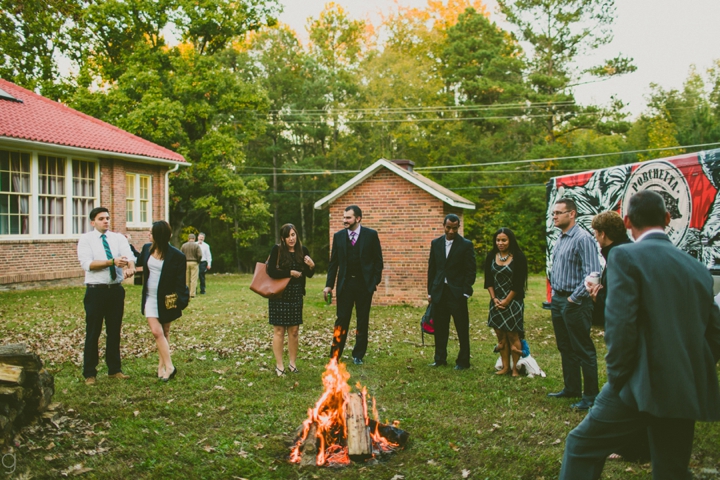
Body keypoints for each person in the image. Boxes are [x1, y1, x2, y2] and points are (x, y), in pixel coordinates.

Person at [560, 190, 720, 480]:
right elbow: (715, 332)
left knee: (581, 446)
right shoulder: (698, 269)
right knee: (671, 469)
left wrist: (619, 378)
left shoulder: (624, 256)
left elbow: (620, 324)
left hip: (637, 381)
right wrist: (693, 368)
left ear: (628, 221)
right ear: (668, 219)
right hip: (684, 384)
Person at [548, 197, 601, 410]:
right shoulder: (561, 238)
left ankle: (591, 396)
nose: (554, 216)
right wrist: (556, 294)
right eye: (553, 213)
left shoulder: (582, 238)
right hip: (558, 299)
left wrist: (573, 298)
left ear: (572, 214)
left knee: (583, 349)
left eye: (558, 213)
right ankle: (571, 388)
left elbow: (593, 274)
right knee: (565, 347)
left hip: (575, 301)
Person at [76, 207, 136, 386]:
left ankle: (114, 370)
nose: (106, 221)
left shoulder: (117, 238)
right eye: (101, 218)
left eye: (107, 218)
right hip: (96, 291)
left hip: (115, 291)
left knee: (114, 331)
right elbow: (87, 264)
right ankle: (90, 373)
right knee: (93, 332)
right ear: (93, 222)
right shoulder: (86, 239)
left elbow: (130, 255)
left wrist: (130, 266)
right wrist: (111, 262)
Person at [324, 205, 384, 365]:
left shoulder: (371, 235)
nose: (345, 220)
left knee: (362, 320)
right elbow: (333, 263)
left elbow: (378, 260)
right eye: (344, 217)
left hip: (364, 285)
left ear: (358, 218)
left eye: (348, 218)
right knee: (342, 319)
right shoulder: (338, 237)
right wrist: (329, 285)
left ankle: (358, 354)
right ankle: (335, 354)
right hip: (345, 284)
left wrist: (374, 281)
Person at [134, 221, 189, 381]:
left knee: (164, 333)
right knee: (156, 332)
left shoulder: (177, 256)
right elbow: (138, 260)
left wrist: (181, 300)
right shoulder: (147, 249)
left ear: (159, 235)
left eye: (151, 232)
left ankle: (161, 366)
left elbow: (180, 282)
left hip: (167, 299)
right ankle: (170, 366)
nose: (148, 235)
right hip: (150, 297)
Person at [427, 214, 476, 370]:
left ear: (458, 227)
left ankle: (463, 361)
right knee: (440, 327)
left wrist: (465, 291)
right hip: (439, 292)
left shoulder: (466, 245)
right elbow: (432, 269)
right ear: (444, 225)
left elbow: (471, 270)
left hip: (457, 293)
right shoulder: (435, 244)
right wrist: (430, 292)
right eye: (449, 227)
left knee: (461, 328)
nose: (451, 231)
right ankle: (440, 358)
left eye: (455, 228)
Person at [267, 224, 315, 376]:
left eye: (293, 235)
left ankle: (292, 364)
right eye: (288, 236)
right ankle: (279, 365)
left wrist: (312, 266)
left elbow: (309, 274)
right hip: (279, 295)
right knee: (279, 330)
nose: (291, 238)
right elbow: (271, 271)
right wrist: (289, 273)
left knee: (294, 331)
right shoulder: (277, 250)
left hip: (295, 295)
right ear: (283, 238)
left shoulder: (303, 250)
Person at [484, 227, 528, 376]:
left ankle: (515, 368)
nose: (500, 243)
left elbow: (518, 283)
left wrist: (507, 301)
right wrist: (494, 299)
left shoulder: (518, 257)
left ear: (510, 241)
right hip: (496, 301)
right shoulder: (491, 256)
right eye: (498, 240)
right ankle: (505, 366)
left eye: (504, 240)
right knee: (500, 335)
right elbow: (488, 280)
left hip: (513, 301)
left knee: (512, 334)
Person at [587, 211, 631, 327]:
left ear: (603, 234)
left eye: (596, 232)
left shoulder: (618, 256)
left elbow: (620, 300)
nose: (595, 237)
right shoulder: (626, 250)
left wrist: (597, 296)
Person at [180, 233, 202, 298]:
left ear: (188, 239)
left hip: (186, 262)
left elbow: (180, 254)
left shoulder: (184, 245)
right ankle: (192, 293)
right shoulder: (196, 246)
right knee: (193, 279)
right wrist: (198, 261)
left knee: (186, 279)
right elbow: (200, 255)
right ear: (194, 239)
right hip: (194, 262)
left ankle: (187, 292)